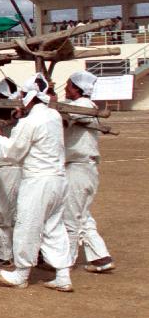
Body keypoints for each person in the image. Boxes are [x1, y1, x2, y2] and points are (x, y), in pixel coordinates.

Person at [0, 74, 73, 292]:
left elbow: (13, 152)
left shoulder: (31, 121)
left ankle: (21, 272)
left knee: (27, 224)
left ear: (30, 97)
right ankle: (63, 274)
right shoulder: (53, 115)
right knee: (54, 226)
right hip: (57, 179)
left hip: (38, 181)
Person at [63, 71, 115, 273]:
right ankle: (101, 258)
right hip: (85, 168)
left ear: (77, 88)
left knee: (71, 216)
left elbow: (64, 115)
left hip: (79, 167)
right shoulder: (85, 106)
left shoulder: (82, 106)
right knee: (83, 215)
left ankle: (64, 262)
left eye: (68, 84)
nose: (65, 88)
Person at [0, 78, 22, 265]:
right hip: (7, 168)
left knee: (3, 212)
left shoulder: (18, 118)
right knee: (8, 212)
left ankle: (3, 253)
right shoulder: (8, 118)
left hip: (9, 168)